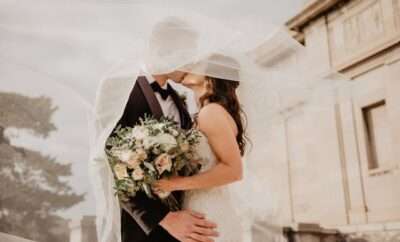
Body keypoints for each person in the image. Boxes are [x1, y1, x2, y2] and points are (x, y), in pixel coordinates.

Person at [154, 55, 247, 242]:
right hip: (200, 208)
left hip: (208, 213)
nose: (188, 65)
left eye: (196, 63)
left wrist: (174, 183)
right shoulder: (208, 112)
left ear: (212, 75)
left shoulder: (211, 112)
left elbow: (234, 170)